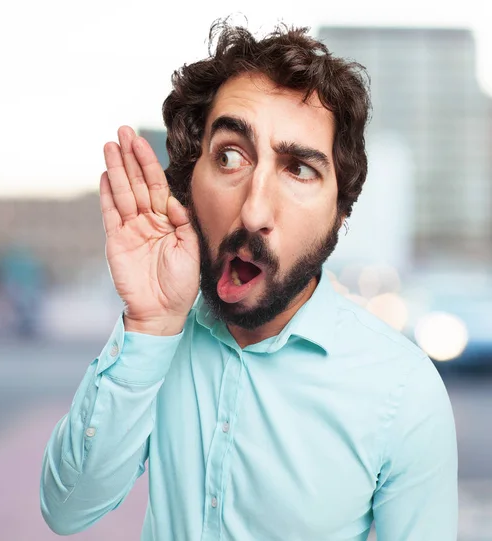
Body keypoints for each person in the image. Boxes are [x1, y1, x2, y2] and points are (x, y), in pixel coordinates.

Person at [40, 21, 457, 540]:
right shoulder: (162, 337)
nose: (255, 210)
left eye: (299, 169)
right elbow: (66, 508)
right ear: (189, 182)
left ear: (339, 214)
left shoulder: (404, 391)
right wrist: (149, 325)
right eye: (230, 156)